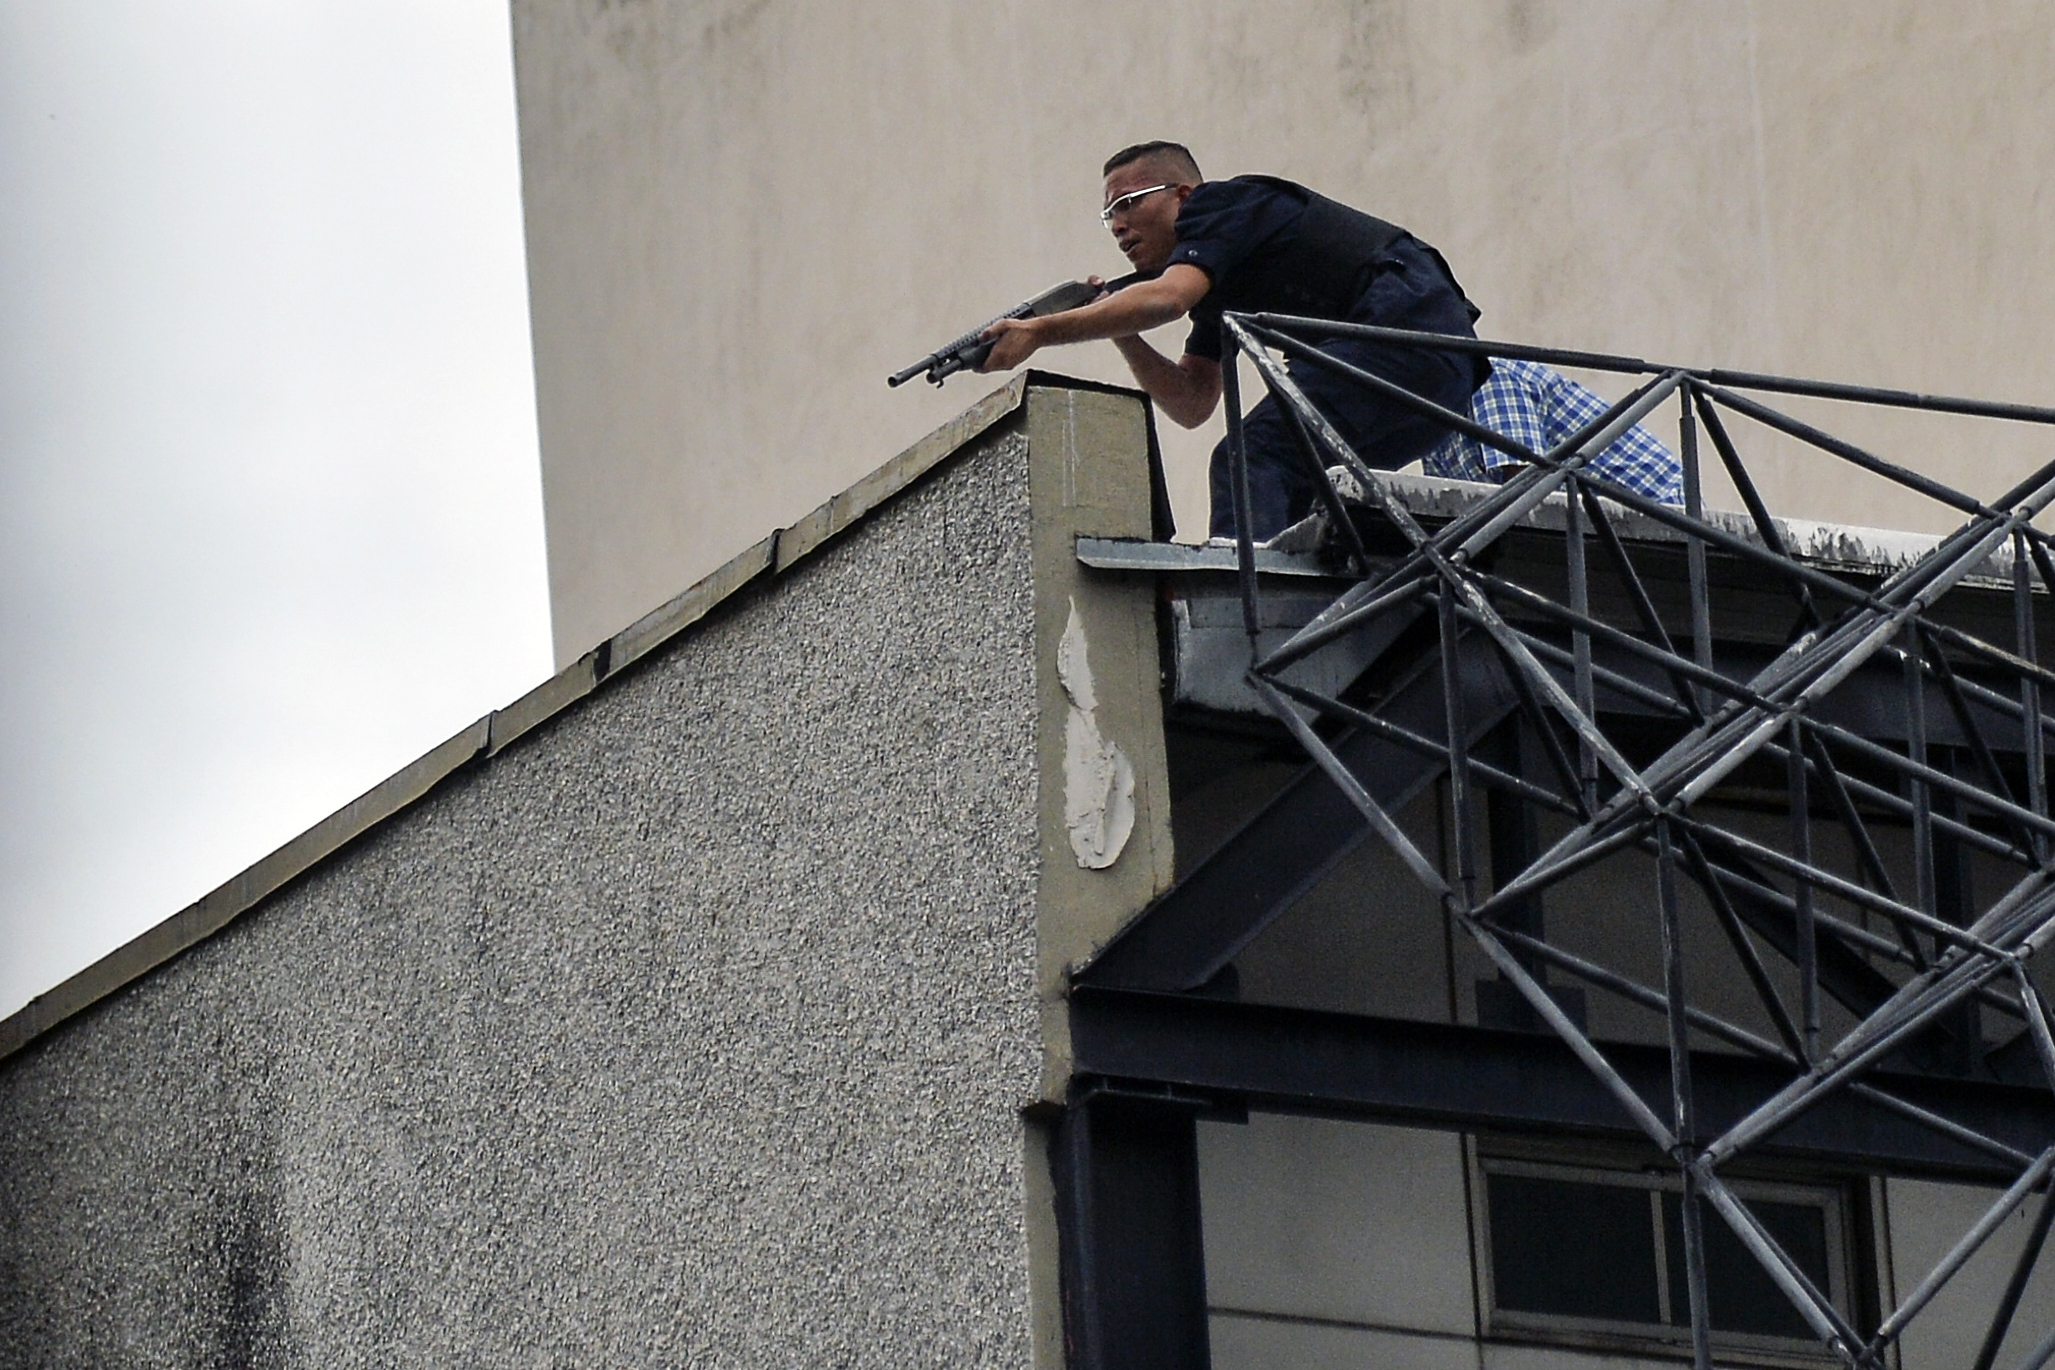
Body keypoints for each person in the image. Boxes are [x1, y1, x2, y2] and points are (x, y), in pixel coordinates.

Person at [977, 140, 1487, 539]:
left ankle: (1241, 605)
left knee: (1251, 457)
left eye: (1129, 202)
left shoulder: (1222, 205)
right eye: (1109, 214)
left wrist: (1039, 331)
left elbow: (1167, 298)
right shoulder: (1224, 274)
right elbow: (1193, 401)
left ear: (1183, 195)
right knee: (1289, 483)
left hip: (1403, 331)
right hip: (1433, 379)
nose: (1118, 225)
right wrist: (1121, 332)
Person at [1422, 357, 1683, 504]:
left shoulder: (1490, 380)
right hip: (1592, 538)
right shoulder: (1426, 423)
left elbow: (1525, 495)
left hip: (1671, 525)